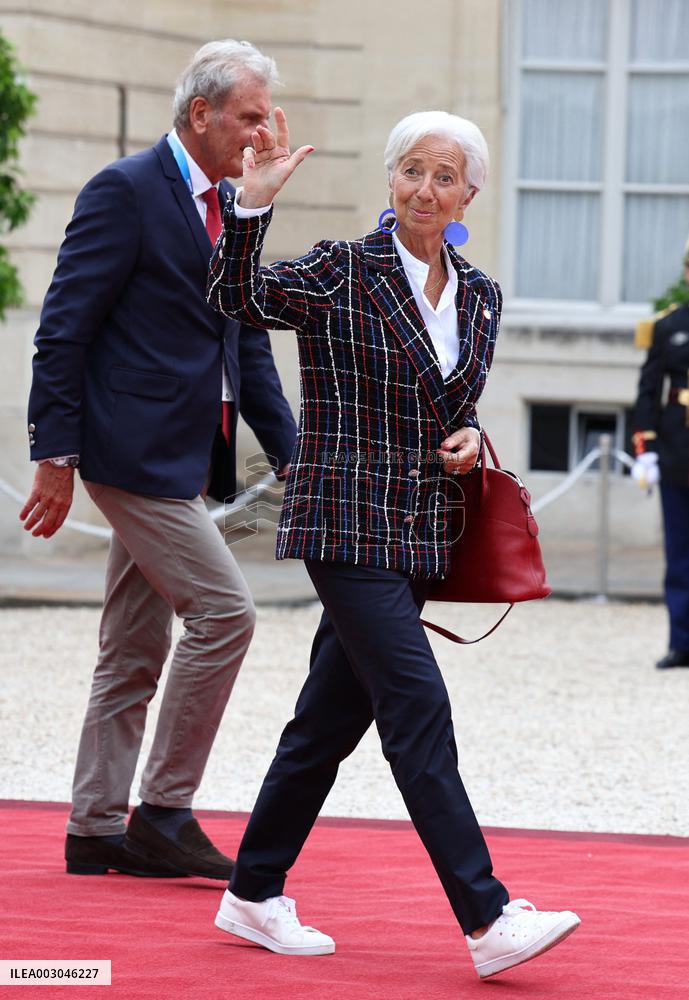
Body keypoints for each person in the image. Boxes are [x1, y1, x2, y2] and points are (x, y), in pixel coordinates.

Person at [205, 108, 581, 979]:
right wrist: (248, 212)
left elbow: (453, 404)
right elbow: (237, 300)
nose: (425, 189)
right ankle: (486, 919)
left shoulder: (481, 295)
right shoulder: (342, 269)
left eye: (444, 176)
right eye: (411, 170)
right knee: (415, 705)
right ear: (389, 178)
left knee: (323, 724)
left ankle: (252, 892)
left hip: (418, 532)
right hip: (343, 522)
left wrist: (465, 436)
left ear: (468, 195)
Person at [19, 40, 297, 880]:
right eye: (247, 115)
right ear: (200, 113)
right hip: (127, 449)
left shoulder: (237, 204)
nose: (260, 131)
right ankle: (164, 813)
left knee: (133, 646)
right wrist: (54, 455)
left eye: (264, 117)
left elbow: (244, 346)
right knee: (226, 615)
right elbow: (63, 328)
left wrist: (296, 457)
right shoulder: (125, 190)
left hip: (186, 454)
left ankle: (96, 827)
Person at [632, 247, 689, 670]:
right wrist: (646, 449)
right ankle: (682, 641)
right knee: (680, 554)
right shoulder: (668, 325)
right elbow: (648, 390)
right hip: (677, 449)